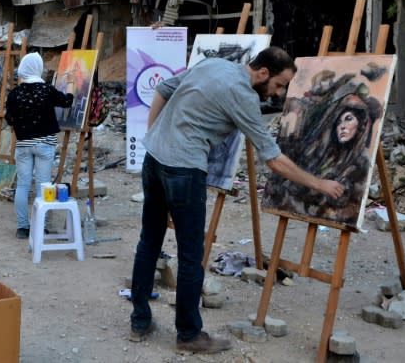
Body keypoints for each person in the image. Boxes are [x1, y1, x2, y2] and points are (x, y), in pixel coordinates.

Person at [129, 46, 345, 354]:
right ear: (262, 73)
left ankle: (139, 322)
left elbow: (164, 89)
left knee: (149, 241)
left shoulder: (216, 64)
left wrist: (155, 134)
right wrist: (318, 183)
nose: (278, 92)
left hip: (155, 159)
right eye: (279, 84)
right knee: (191, 254)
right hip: (183, 170)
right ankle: (189, 335)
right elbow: (272, 158)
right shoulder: (243, 96)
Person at [264, 82, 382, 225]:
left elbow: (342, 202)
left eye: (349, 119)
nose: (342, 126)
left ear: (361, 125)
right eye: (339, 122)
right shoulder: (324, 153)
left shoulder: (359, 163)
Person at [5, 52, 74, 239]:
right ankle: (40, 225)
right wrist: (71, 83)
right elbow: (67, 101)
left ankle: (22, 227)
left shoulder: (15, 93)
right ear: (39, 68)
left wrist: (22, 125)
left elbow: (9, 118)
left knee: (23, 185)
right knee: (43, 186)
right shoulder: (47, 90)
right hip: (45, 144)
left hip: (24, 144)